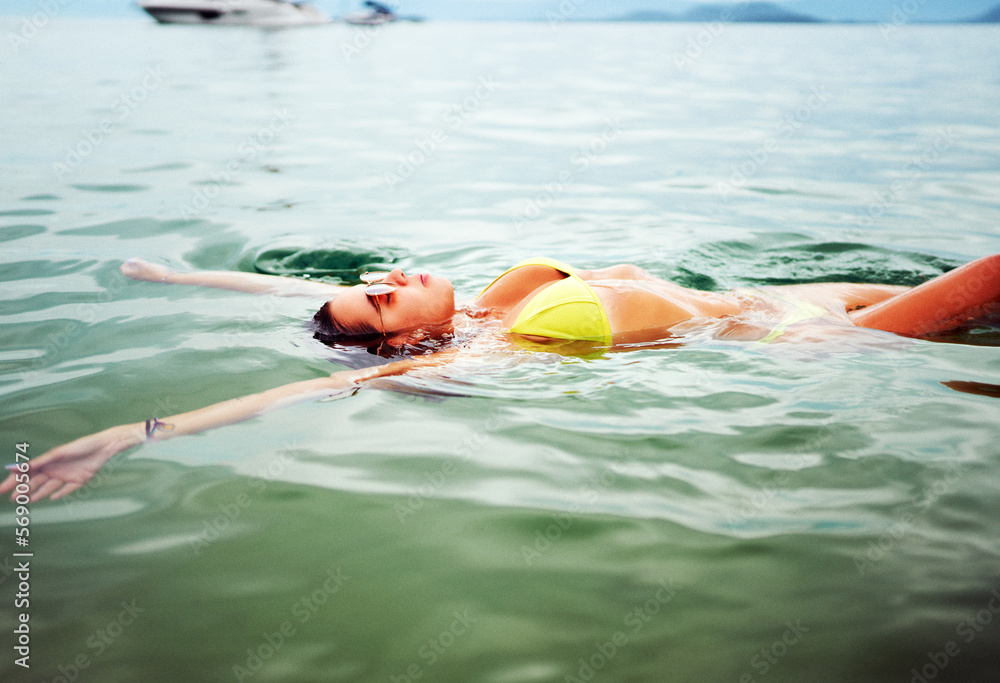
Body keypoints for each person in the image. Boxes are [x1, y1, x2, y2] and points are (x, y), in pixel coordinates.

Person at [4, 254, 999, 503]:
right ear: (402, 345)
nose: (388, 281)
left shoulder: (472, 302)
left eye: (377, 281)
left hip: (782, 295)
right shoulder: (470, 347)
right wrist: (132, 432)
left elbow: (296, 286)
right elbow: (305, 391)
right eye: (384, 302)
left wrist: (177, 277)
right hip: (801, 344)